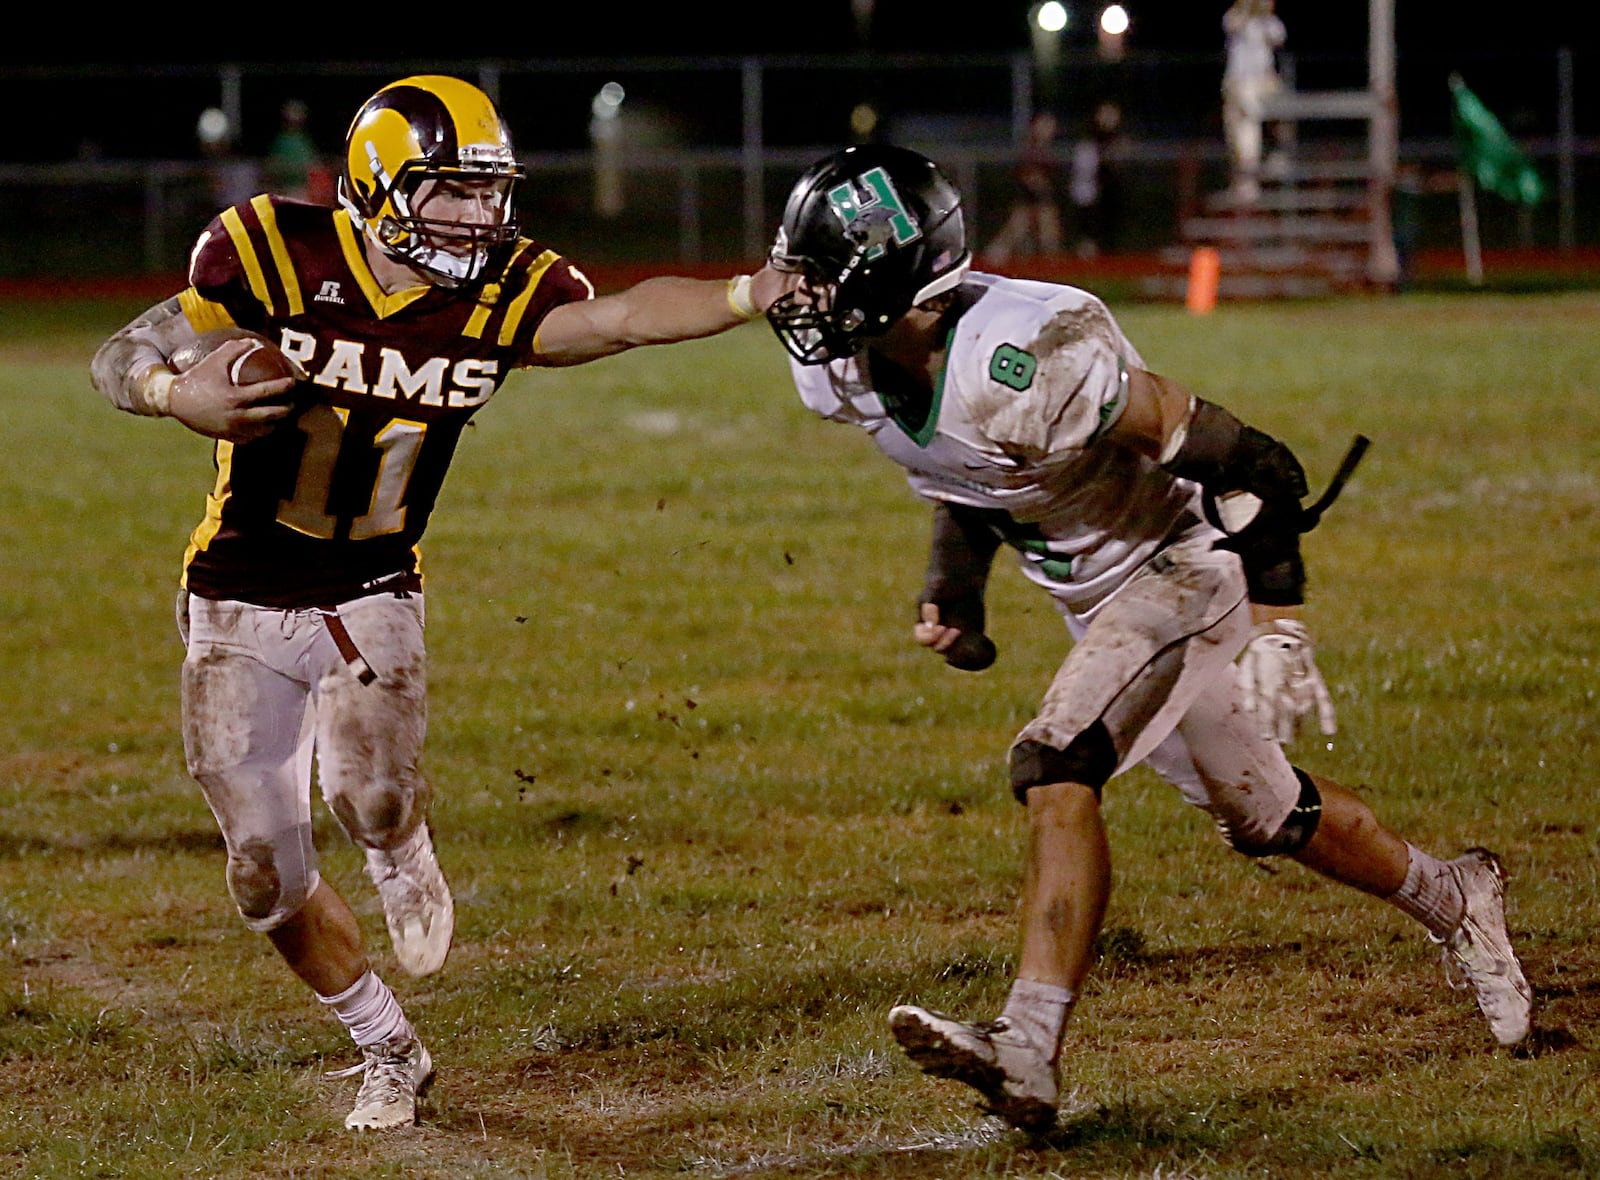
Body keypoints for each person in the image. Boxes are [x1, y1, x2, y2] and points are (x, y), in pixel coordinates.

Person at [763, 144, 1533, 1134]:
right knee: (1265, 813)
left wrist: (1279, 620)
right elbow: (968, 474)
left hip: (1185, 562)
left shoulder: (1027, 353)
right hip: (1097, 598)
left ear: (894, 279)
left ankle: (1027, 1046)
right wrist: (954, 594)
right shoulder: (850, 369)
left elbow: (1253, 459)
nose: (799, 292)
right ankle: (1454, 894)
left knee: (1057, 757)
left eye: (822, 270)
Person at [90, 75, 787, 1134]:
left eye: (485, 192)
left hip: (371, 585)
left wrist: (748, 293)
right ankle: (388, 1045)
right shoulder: (273, 253)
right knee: (261, 877)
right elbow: (121, 354)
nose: (476, 216)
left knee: (369, 798)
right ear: (375, 189)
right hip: (232, 595)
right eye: (449, 192)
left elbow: (628, 316)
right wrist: (174, 393)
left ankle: (397, 844)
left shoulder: (503, 289)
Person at [1222, 0, 1287, 204]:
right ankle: (1245, 181)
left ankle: (1277, 157)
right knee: (1238, 134)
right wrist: (1248, 10)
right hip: (1238, 82)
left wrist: (1263, 16)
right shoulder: (1235, 17)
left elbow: (1277, 38)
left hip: (1262, 81)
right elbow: (1233, 25)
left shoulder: (1270, 23)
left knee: (1256, 124)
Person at [983, 111, 1063, 264]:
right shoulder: (1030, 149)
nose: (1048, 130)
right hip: (1026, 198)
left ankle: (1050, 267)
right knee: (1016, 232)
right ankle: (991, 261)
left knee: (1047, 235)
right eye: (1044, 125)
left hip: (1042, 199)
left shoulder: (1047, 150)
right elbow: (1026, 176)